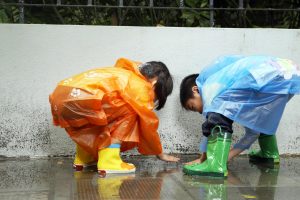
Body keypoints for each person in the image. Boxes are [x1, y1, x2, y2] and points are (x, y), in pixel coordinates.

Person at [49, 58, 179, 175]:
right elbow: (148, 126)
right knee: (133, 112)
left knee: (102, 118)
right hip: (82, 97)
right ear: (154, 83)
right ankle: (110, 162)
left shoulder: (122, 74)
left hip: (60, 94)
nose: (153, 99)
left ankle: (84, 158)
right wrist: (159, 153)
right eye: (157, 95)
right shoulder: (139, 86)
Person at [179, 55, 300, 177]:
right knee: (261, 119)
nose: (199, 112)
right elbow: (254, 130)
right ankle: (269, 154)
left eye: (193, 107)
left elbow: (213, 120)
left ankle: (215, 166)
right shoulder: (227, 81)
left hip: (267, 74)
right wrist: (228, 156)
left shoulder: (209, 87)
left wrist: (204, 158)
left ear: (196, 90)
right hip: (289, 73)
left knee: (217, 116)